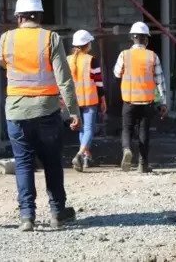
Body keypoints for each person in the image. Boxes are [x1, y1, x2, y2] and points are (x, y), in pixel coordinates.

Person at [0, 0, 79, 232]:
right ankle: (57, 213)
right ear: (40, 16)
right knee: (52, 162)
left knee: (23, 163)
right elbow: (64, 79)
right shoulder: (50, 38)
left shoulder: (6, 38)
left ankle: (27, 217)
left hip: (16, 111)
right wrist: (73, 111)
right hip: (46, 110)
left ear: (18, 17)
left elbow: (1, 62)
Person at [113, 22, 168, 174]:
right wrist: (162, 103)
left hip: (129, 101)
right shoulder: (152, 56)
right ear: (146, 40)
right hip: (147, 102)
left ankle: (126, 150)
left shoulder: (124, 54)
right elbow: (160, 81)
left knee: (127, 128)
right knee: (144, 132)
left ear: (132, 38)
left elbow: (117, 73)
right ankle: (142, 164)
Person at [67, 29, 107, 173]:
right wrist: (103, 100)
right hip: (90, 99)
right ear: (87, 44)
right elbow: (98, 83)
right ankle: (79, 154)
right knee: (89, 129)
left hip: (74, 101)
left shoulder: (68, 60)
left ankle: (85, 157)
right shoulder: (91, 60)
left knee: (82, 129)